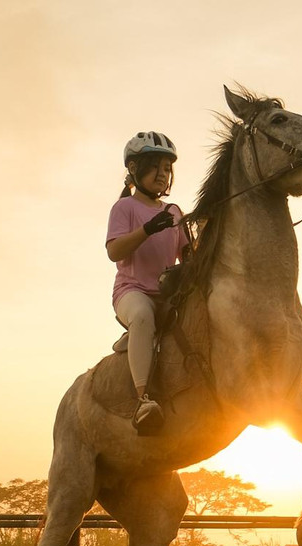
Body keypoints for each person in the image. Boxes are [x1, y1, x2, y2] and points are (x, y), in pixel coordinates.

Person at [106, 131, 191, 434]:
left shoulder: (174, 211)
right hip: (132, 292)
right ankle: (143, 400)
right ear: (134, 169)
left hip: (168, 293)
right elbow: (114, 251)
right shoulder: (124, 208)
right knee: (142, 315)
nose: (162, 174)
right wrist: (147, 229)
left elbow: (187, 257)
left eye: (167, 168)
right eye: (155, 166)